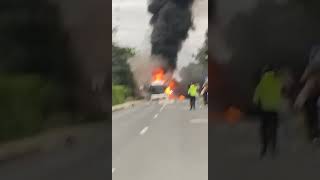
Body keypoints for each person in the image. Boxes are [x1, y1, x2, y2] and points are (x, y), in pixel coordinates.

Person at [253, 66, 283, 158]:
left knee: (263, 128)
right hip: (275, 109)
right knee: (274, 128)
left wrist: (256, 102)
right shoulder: (278, 81)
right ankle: (273, 147)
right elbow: (282, 91)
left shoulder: (263, 81)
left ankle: (264, 147)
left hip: (265, 109)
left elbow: (256, 95)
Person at [294, 71, 320, 144]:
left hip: (311, 102)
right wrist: (298, 104)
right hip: (309, 102)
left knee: (312, 120)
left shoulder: (312, 80)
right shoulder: (312, 81)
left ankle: (314, 136)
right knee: (312, 120)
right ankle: (314, 136)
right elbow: (305, 93)